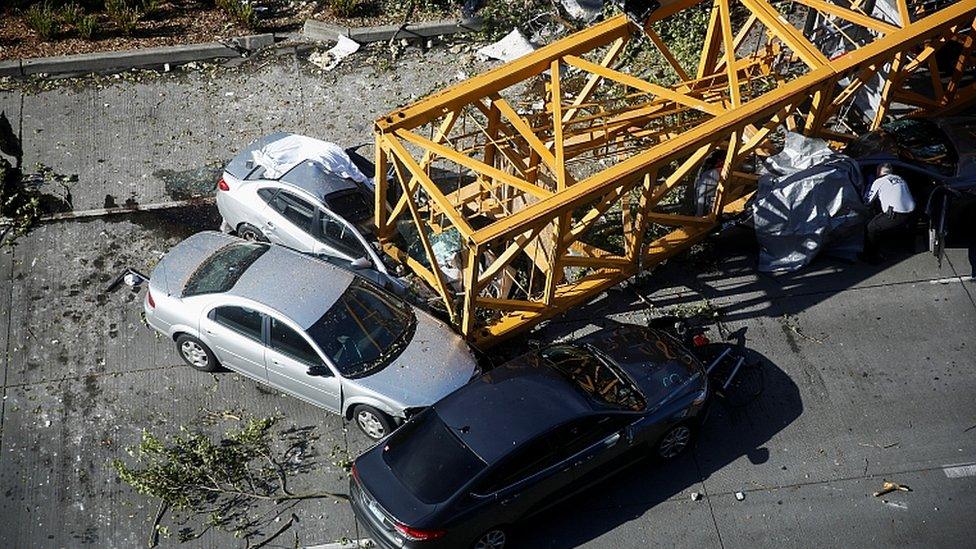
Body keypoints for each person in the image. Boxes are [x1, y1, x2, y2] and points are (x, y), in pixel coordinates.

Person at [861, 163, 916, 263]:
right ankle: (909, 246)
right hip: (911, 213)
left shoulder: (879, 181)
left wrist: (868, 186)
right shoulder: (899, 178)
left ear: (878, 172)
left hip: (895, 214)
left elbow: (867, 201)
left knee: (871, 227)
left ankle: (872, 257)